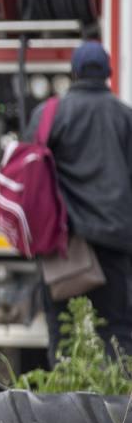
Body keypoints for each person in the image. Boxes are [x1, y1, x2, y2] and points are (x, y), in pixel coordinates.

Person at [28, 41, 132, 359]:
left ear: (73, 73)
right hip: (114, 243)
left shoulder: (49, 114)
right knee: (116, 332)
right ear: (108, 74)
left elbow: (31, 170)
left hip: (64, 244)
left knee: (63, 331)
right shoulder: (125, 117)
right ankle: (118, 405)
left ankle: (64, 401)